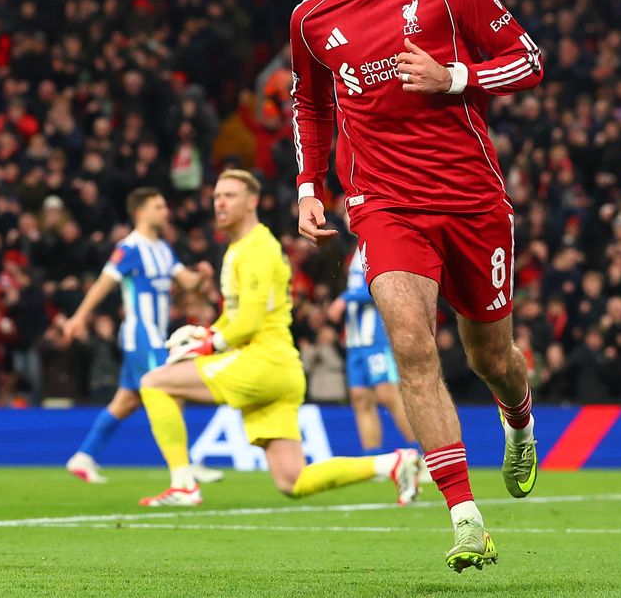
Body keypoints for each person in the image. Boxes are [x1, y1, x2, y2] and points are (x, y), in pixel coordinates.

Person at [292, 0, 541, 571]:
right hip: (383, 203)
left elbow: (528, 59)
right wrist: (311, 182)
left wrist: (454, 76)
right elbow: (310, 102)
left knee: (491, 356)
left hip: (470, 197)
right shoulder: (312, 17)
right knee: (410, 340)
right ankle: (465, 517)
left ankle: (518, 417)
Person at [137, 170, 420, 506]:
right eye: (216, 197)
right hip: (279, 368)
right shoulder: (241, 248)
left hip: (261, 362)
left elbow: (250, 320)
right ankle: (392, 463)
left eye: (230, 195)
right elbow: (236, 315)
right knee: (293, 480)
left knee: (155, 383)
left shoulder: (256, 247)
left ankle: (184, 484)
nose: (220, 203)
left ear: (252, 201)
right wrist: (208, 331)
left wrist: (209, 344)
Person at [62, 188, 219, 485]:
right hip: (141, 333)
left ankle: (83, 457)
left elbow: (188, 283)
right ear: (141, 213)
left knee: (126, 401)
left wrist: (203, 276)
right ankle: (184, 465)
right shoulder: (130, 247)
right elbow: (102, 285)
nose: (165, 212)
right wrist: (79, 317)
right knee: (172, 387)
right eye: (159, 206)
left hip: (156, 335)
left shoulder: (162, 248)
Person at [327, 245, 418, 454]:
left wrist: (344, 299)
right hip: (355, 341)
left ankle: (425, 458)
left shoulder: (376, 244)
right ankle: (374, 459)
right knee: (360, 397)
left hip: (376, 338)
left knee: (388, 394)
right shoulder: (356, 252)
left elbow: (383, 284)